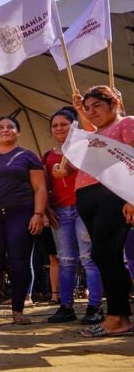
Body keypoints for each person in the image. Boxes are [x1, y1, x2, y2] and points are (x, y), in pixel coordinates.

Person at [0, 115, 47, 325]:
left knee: (19, 262)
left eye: (10, 126)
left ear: (18, 132)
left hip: (21, 213)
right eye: (0, 126)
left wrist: (38, 214)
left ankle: (18, 311)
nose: (5, 129)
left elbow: (40, 188)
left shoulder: (28, 156)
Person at [71, 86, 134, 337]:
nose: (91, 112)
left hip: (113, 195)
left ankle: (117, 318)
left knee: (106, 253)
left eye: (97, 105)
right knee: (103, 256)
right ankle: (118, 317)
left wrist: (132, 198)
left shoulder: (127, 123)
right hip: (89, 198)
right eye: (88, 108)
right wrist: (80, 111)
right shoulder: (96, 134)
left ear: (115, 103)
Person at [42, 106, 104, 325]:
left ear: (74, 127)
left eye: (64, 124)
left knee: (88, 258)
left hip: (83, 210)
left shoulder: (86, 148)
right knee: (65, 260)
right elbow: (45, 186)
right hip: (60, 212)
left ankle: (95, 306)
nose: (59, 128)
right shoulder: (48, 156)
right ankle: (66, 306)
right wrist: (47, 209)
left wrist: (69, 170)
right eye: (55, 125)